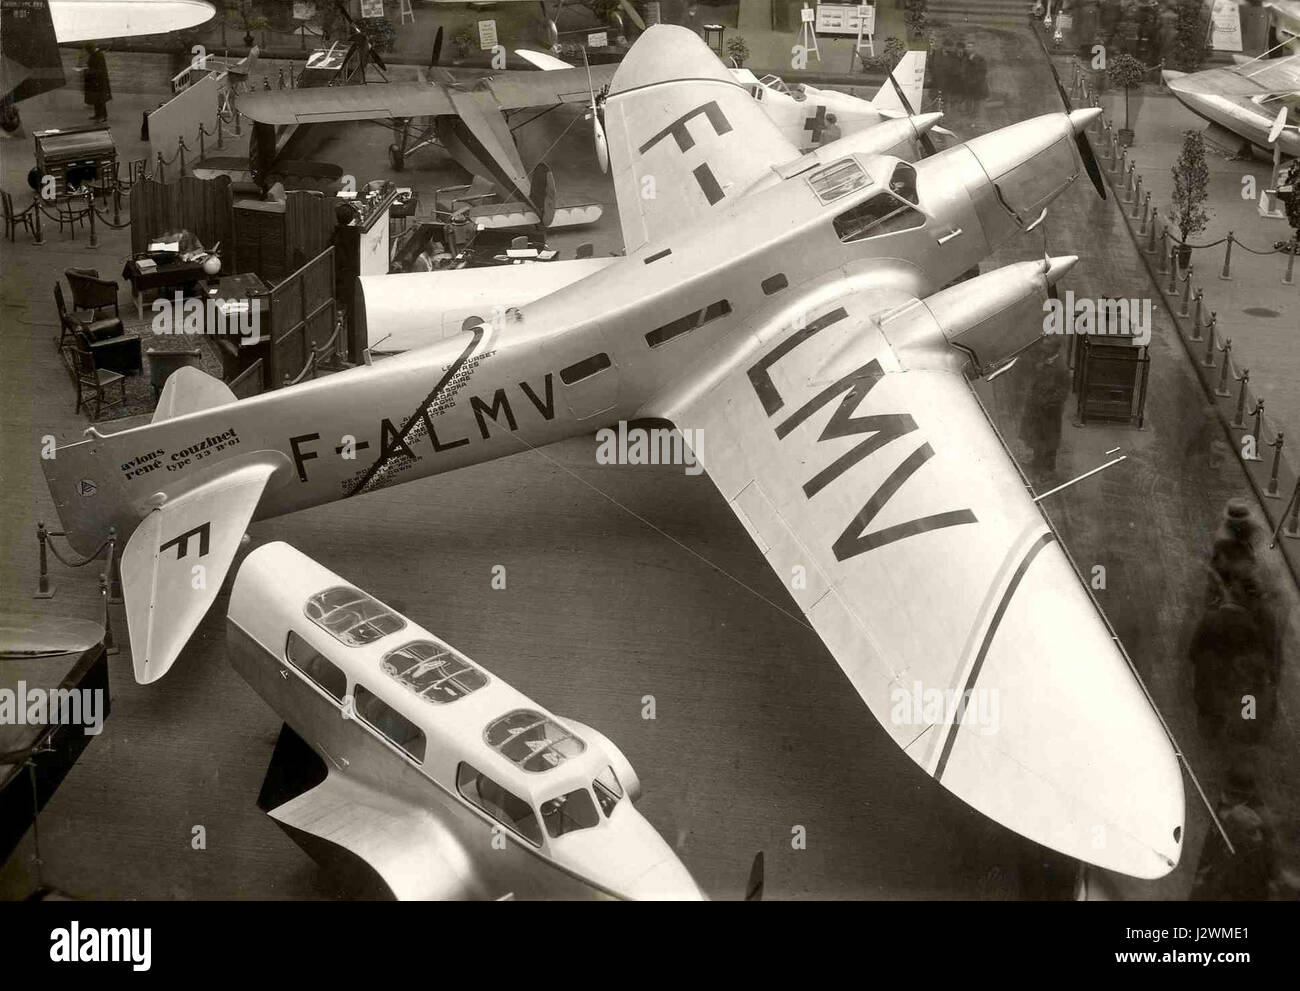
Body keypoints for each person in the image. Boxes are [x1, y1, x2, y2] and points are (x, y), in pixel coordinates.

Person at [1017, 338, 1071, 474]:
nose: (1043, 347)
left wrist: (1047, 402)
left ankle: (1048, 470)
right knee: (1036, 435)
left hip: (1050, 411)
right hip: (1037, 407)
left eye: (1046, 346)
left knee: (1050, 439)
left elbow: (1062, 393)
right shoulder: (1046, 359)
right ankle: (1036, 461)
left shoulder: (1061, 368)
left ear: (1054, 349)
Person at [82, 41, 111, 123]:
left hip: (99, 80)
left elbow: (98, 69)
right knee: (97, 99)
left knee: (100, 99)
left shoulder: (98, 55)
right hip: (97, 80)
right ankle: (98, 115)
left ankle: (103, 116)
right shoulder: (97, 54)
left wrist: (88, 71)